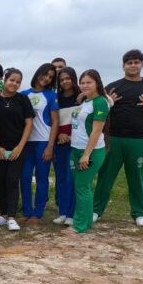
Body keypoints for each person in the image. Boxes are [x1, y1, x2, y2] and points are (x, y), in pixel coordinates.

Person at [94, 49, 143, 227]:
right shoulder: (112, 87)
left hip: (140, 139)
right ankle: (96, 210)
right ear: (123, 65)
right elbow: (101, 112)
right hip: (114, 138)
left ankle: (139, 213)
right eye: (129, 63)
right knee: (106, 176)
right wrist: (110, 102)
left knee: (137, 177)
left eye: (136, 62)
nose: (133, 65)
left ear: (142, 65)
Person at [0, 68, 34, 231]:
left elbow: (29, 123)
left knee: (12, 180)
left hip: (18, 147)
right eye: (12, 80)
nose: (14, 84)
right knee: (1, 181)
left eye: (18, 82)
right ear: (5, 80)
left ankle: (11, 217)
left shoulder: (23, 100)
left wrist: (20, 147)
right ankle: (2, 215)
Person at [68, 69, 110, 234]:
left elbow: (96, 131)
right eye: (82, 82)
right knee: (83, 187)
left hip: (90, 151)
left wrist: (86, 154)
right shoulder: (85, 101)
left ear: (97, 83)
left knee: (82, 186)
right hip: (75, 148)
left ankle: (79, 227)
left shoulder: (100, 102)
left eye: (89, 82)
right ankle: (85, 223)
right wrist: (83, 97)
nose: (84, 85)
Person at [19, 63, 59, 225]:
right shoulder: (23, 94)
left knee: (42, 178)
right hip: (26, 142)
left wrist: (50, 146)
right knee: (25, 176)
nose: (46, 78)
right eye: (45, 74)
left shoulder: (50, 95)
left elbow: (55, 122)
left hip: (43, 141)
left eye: (50, 77)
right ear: (38, 73)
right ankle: (27, 211)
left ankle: (38, 213)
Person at [52, 67, 81, 226]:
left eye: (68, 78)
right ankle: (63, 212)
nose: (65, 82)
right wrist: (58, 136)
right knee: (61, 178)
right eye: (62, 79)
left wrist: (72, 137)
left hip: (76, 144)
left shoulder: (81, 98)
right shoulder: (56, 98)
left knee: (72, 179)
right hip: (59, 143)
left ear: (73, 79)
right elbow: (50, 122)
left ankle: (71, 213)